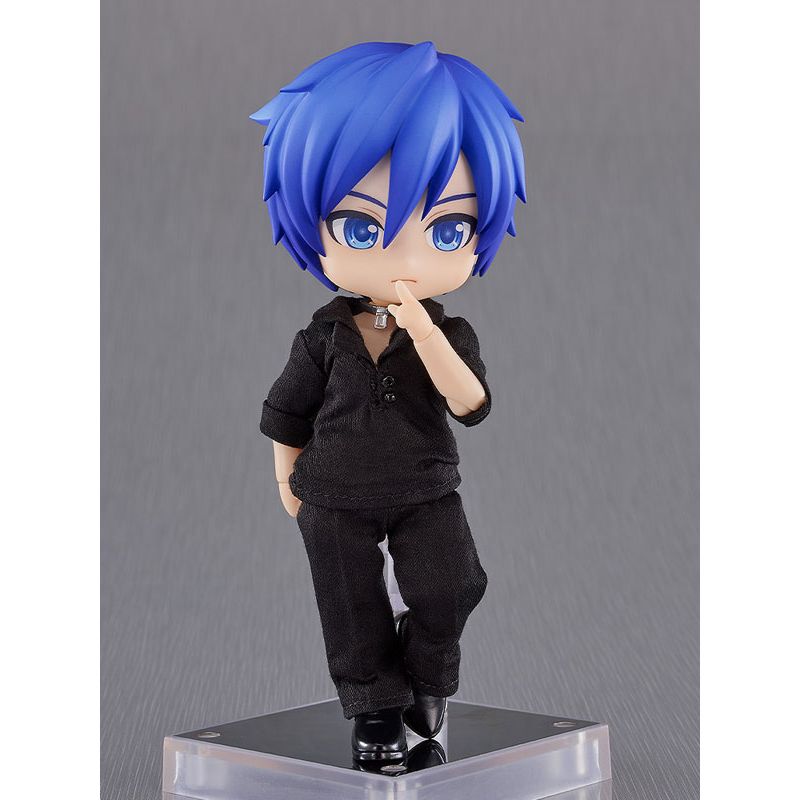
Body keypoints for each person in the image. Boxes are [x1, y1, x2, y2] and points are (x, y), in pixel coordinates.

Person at [251, 41, 525, 764]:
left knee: (452, 585)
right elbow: (286, 411)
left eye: (447, 229)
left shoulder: (449, 333)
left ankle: (427, 675)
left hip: (424, 488)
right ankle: (373, 706)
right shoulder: (323, 336)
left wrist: (422, 329)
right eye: (363, 228)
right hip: (333, 493)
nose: (406, 258)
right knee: (349, 608)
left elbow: (471, 403)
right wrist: (286, 480)